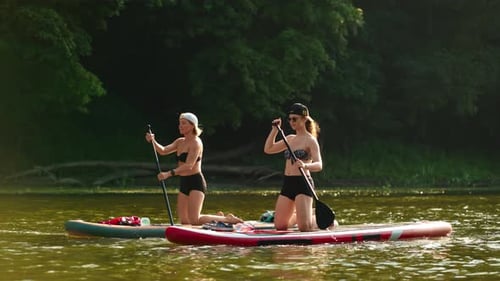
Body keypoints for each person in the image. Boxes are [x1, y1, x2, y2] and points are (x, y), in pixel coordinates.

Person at [145, 112, 243, 225]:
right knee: (184, 221)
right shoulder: (180, 141)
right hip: (184, 182)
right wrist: (153, 141)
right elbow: (162, 151)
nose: (180, 126)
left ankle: (226, 219)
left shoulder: (196, 143)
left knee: (194, 220)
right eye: (179, 123)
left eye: (183, 123)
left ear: (192, 126)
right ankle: (215, 218)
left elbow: (189, 165)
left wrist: (169, 173)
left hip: (196, 182)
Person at [264, 103, 323, 232]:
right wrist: (274, 130)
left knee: (305, 228)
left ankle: (315, 219)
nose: (291, 122)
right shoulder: (289, 139)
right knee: (279, 226)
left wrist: (305, 165)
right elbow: (268, 149)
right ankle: (298, 216)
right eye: (290, 119)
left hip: (303, 183)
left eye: (295, 119)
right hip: (288, 183)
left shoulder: (310, 141)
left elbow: (319, 164)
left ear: (304, 119)